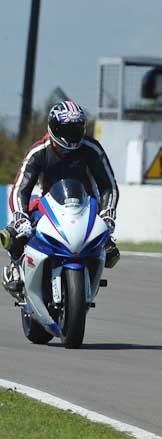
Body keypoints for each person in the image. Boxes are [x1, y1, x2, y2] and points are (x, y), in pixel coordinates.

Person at [2, 100, 120, 296]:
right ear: (54, 128)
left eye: (76, 128)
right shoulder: (39, 151)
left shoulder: (91, 148)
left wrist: (107, 213)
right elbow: (20, 188)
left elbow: (109, 185)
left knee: (110, 250)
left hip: (85, 206)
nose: (71, 135)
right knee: (16, 232)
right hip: (48, 204)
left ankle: (90, 275)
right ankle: (16, 266)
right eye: (66, 129)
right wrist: (20, 216)